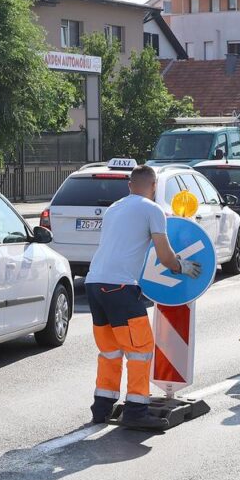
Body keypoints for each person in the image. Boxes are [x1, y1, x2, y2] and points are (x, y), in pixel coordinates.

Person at [85, 165, 202, 426]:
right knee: (140, 349)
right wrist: (181, 266)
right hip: (120, 287)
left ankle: (101, 408)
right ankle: (136, 411)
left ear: (130, 185)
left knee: (110, 351)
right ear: (154, 186)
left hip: (94, 284)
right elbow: (164, 253)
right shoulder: (153, 209)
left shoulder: (114, 208)